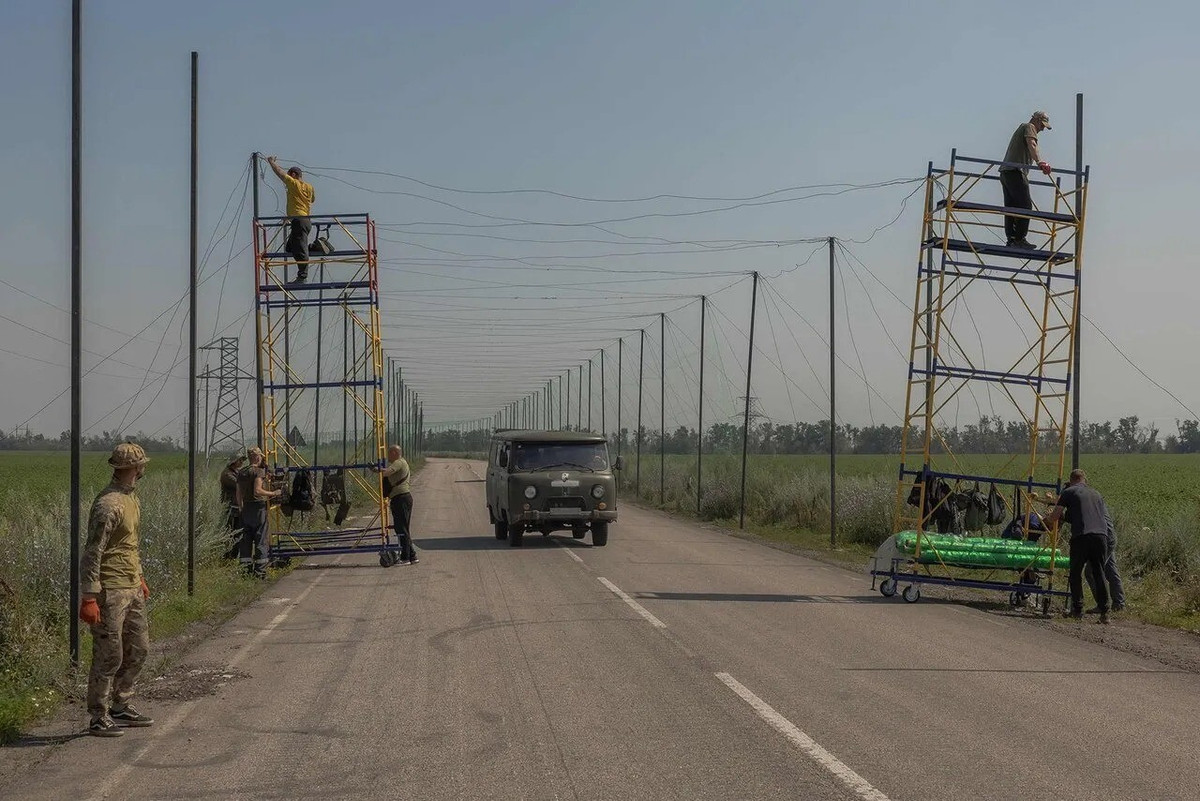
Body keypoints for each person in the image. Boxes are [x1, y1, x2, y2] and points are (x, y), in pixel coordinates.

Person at [79, 443, 154, 737]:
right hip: (108, 590)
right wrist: (88, 596)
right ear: (134, 468)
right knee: (109, 655)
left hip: (131, 585)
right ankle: (98, 716)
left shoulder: (130, 499)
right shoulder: (108, 504)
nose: (143, 468)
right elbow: (93, 552)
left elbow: (129, 545)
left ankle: (120, 705)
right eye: (141, 464)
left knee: (139, 648)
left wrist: (140, 577)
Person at [1043, 469, 1111, 624]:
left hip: (1081, 536)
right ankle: (1105, 612)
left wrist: (1046, 518)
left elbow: (1055, 517)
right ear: (1084, 479)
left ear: (1071, 479)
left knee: (1075, 573)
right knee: (1099, 573)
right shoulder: (1096, 494)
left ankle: (1078, 610)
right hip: (1101, 536)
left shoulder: (1068, 492)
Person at [999, 110, 1053, 250]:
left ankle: (1011, 238)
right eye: (1042, 124)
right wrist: (1040, 162)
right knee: (1025, 206)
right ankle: (1019, 239)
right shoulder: (1029, 127)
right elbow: (1031, 144)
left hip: (1006, 172)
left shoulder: (1023, 127)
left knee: (1011, 207)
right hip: (1016, 171)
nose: (1042, 129)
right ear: (1036, 120)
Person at [266, 155, 315, 283]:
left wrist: (271, 162)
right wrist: (289, 216)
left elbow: (280, 173)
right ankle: (311, 248)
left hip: (299, 221)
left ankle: (302, 277)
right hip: (304, 220)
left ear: (293, 174)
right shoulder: (309, 187)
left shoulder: (294, 183)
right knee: (290, 247)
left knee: (299, 249)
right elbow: (310, 200)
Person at [235, 447, 282, 578]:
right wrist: (273, 493)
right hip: (258, 508)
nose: (261, 458)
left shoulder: (241, 472)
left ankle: (245, 571)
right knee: (261, 539)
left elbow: (238, 493)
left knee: (246, 540)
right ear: (257, 457)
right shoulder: (258, 471)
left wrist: (240, 507)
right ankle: (260, 572)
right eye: (260, 456)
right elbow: (257, 491)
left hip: (245, 509)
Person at [378, 445, 419, 565]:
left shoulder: (399, 462)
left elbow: (387, 473)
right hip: (401, 498)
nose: (387, 456)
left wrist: (378, 470)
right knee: (402, 528)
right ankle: (412, 555)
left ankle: (405, 557)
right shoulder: (401, 462)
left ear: (395, 452)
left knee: (401, 528)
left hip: (401, 498)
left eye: (389, 453)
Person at [1086, 511, 1126, 613]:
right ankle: (1119, 604)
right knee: (1111, 570)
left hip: (1102, 538)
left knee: (1090, 572)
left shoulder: (1084, 500)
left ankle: (1102, 605)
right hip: (1109, 536)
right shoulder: (1096, 498)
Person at [219, 453, 246, 560]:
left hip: (236, 506)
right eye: (239, 460)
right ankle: (229, 556)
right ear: (234, 462)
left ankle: (234, 555)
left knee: (238, 532)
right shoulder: (227, 475)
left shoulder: (237, 472)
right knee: (231, 533)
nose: (241, 462)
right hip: (230, 507)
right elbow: (239, 485)